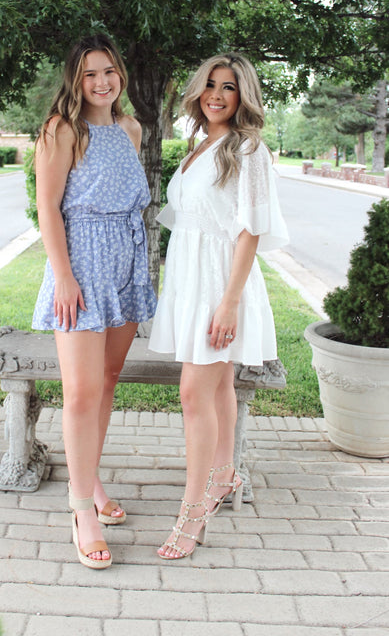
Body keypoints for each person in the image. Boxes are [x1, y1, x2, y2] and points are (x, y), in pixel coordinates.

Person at [149, 53, 288, 560]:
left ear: (242, 95)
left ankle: (192, 513)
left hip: (220, 285)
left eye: (228, 86)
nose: (216, 94)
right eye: (210, 84)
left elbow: (251, 230)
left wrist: (229, 303)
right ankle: (224, 474)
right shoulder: (200, 145)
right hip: (191, 279)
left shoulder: (249, 150)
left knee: (193, 394)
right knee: (219, 384)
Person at [32, 34, 156, 569]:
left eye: (109, 71)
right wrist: (64, 276)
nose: (101, 82)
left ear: (120, 74)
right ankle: (81, 508)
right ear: (75, 80)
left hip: (126, 263)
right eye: (89, 74)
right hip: (82, 266)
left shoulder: (131, 129)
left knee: (106, 381)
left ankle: (91, 481)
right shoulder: (62, 130)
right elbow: (48, 207)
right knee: (81, 391)